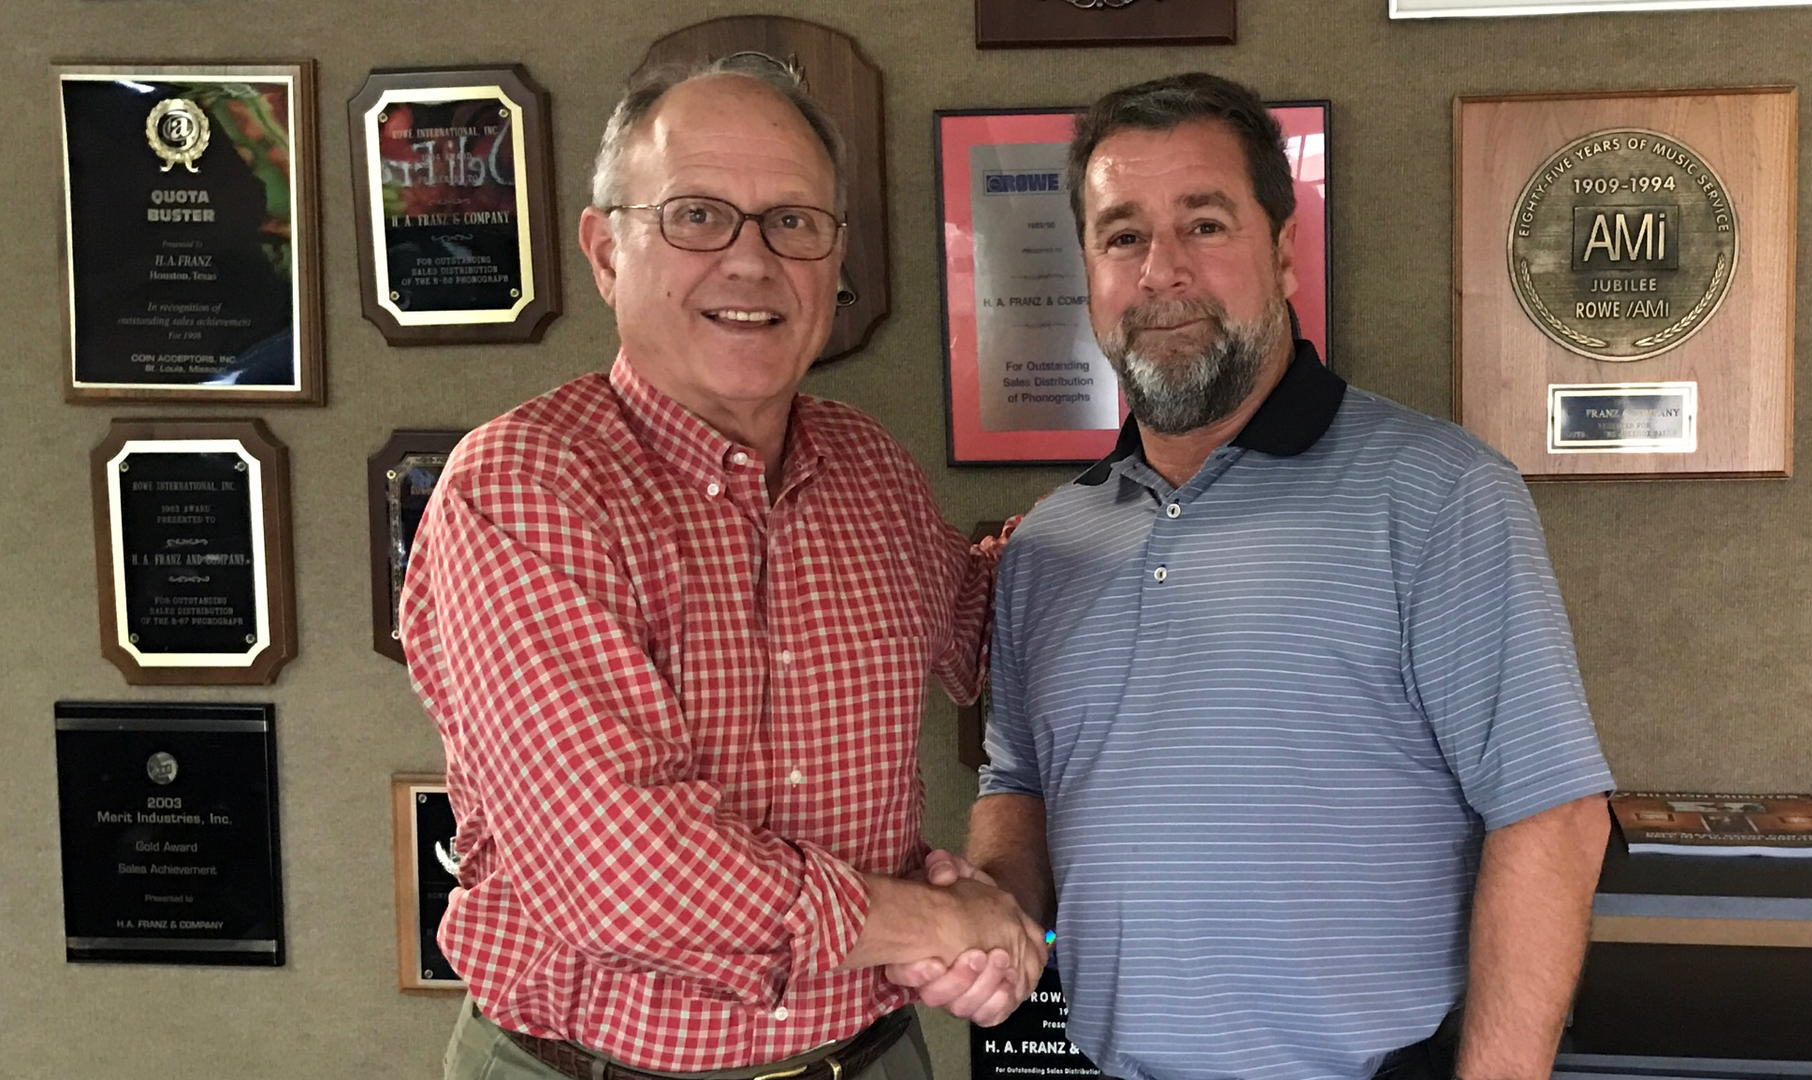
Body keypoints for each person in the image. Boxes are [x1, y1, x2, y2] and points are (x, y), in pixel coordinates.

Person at [892, 73, 1616, 1080]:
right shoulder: (1050, 545)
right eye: (1122, 236)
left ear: (1283, 253)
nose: (1163, 271)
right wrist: (992, 919)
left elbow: (1552, 816)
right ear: (1091, 272)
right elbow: (1022, 789)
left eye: (1204, 225)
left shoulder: (1439, 497)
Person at [401, 56, 1046, 1080]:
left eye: (793, 222)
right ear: (605, 250)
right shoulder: (523, 486)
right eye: (697, 216)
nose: (751, 261)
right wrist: (931, 922)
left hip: (871, 1057)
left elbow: (994, 629)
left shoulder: (870, 470)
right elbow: (627, 872)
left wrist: (1158, 500)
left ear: (834, 263)